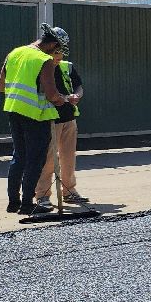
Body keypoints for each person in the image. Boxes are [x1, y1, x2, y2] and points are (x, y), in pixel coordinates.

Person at [0, 25, 78, 216]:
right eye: (57, 48)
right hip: (35, 116)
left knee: (19, 156)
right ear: (52, 44)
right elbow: (52, 95)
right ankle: (27, 205)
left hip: (13, 111)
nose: (57, 53)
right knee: (35, 160)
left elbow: (1, 86)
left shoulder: (15, 53)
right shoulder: (45, 60)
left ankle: (13, 202)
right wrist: (65, 99)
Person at [34, 47, 88, 205]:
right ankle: (42, 195)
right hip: (50, 118)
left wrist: (78, 95)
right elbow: (47, 94)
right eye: (55, 54)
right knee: (48, 159)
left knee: (68, 157)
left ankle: (70, 191)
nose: (59, 57)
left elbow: (78, 85)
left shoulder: (67, 66)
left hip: (68, 118)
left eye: (60, 53)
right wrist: (65, 98)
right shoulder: (42, 67)